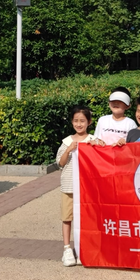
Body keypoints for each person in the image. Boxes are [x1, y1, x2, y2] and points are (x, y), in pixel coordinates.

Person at [56, 106, 101, 266]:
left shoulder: (94, 140)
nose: (79, 124)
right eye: (76, 121)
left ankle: (84, 248)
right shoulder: (67, 141)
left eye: (82, 121)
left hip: (87, 188)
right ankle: (67, 248)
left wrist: (97, 146)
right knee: (67, 218)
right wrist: (68, 150)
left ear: (89, 122)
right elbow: (60, 163)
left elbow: (103, 158)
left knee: (87, 219)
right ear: (71, 122)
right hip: (69, 187)